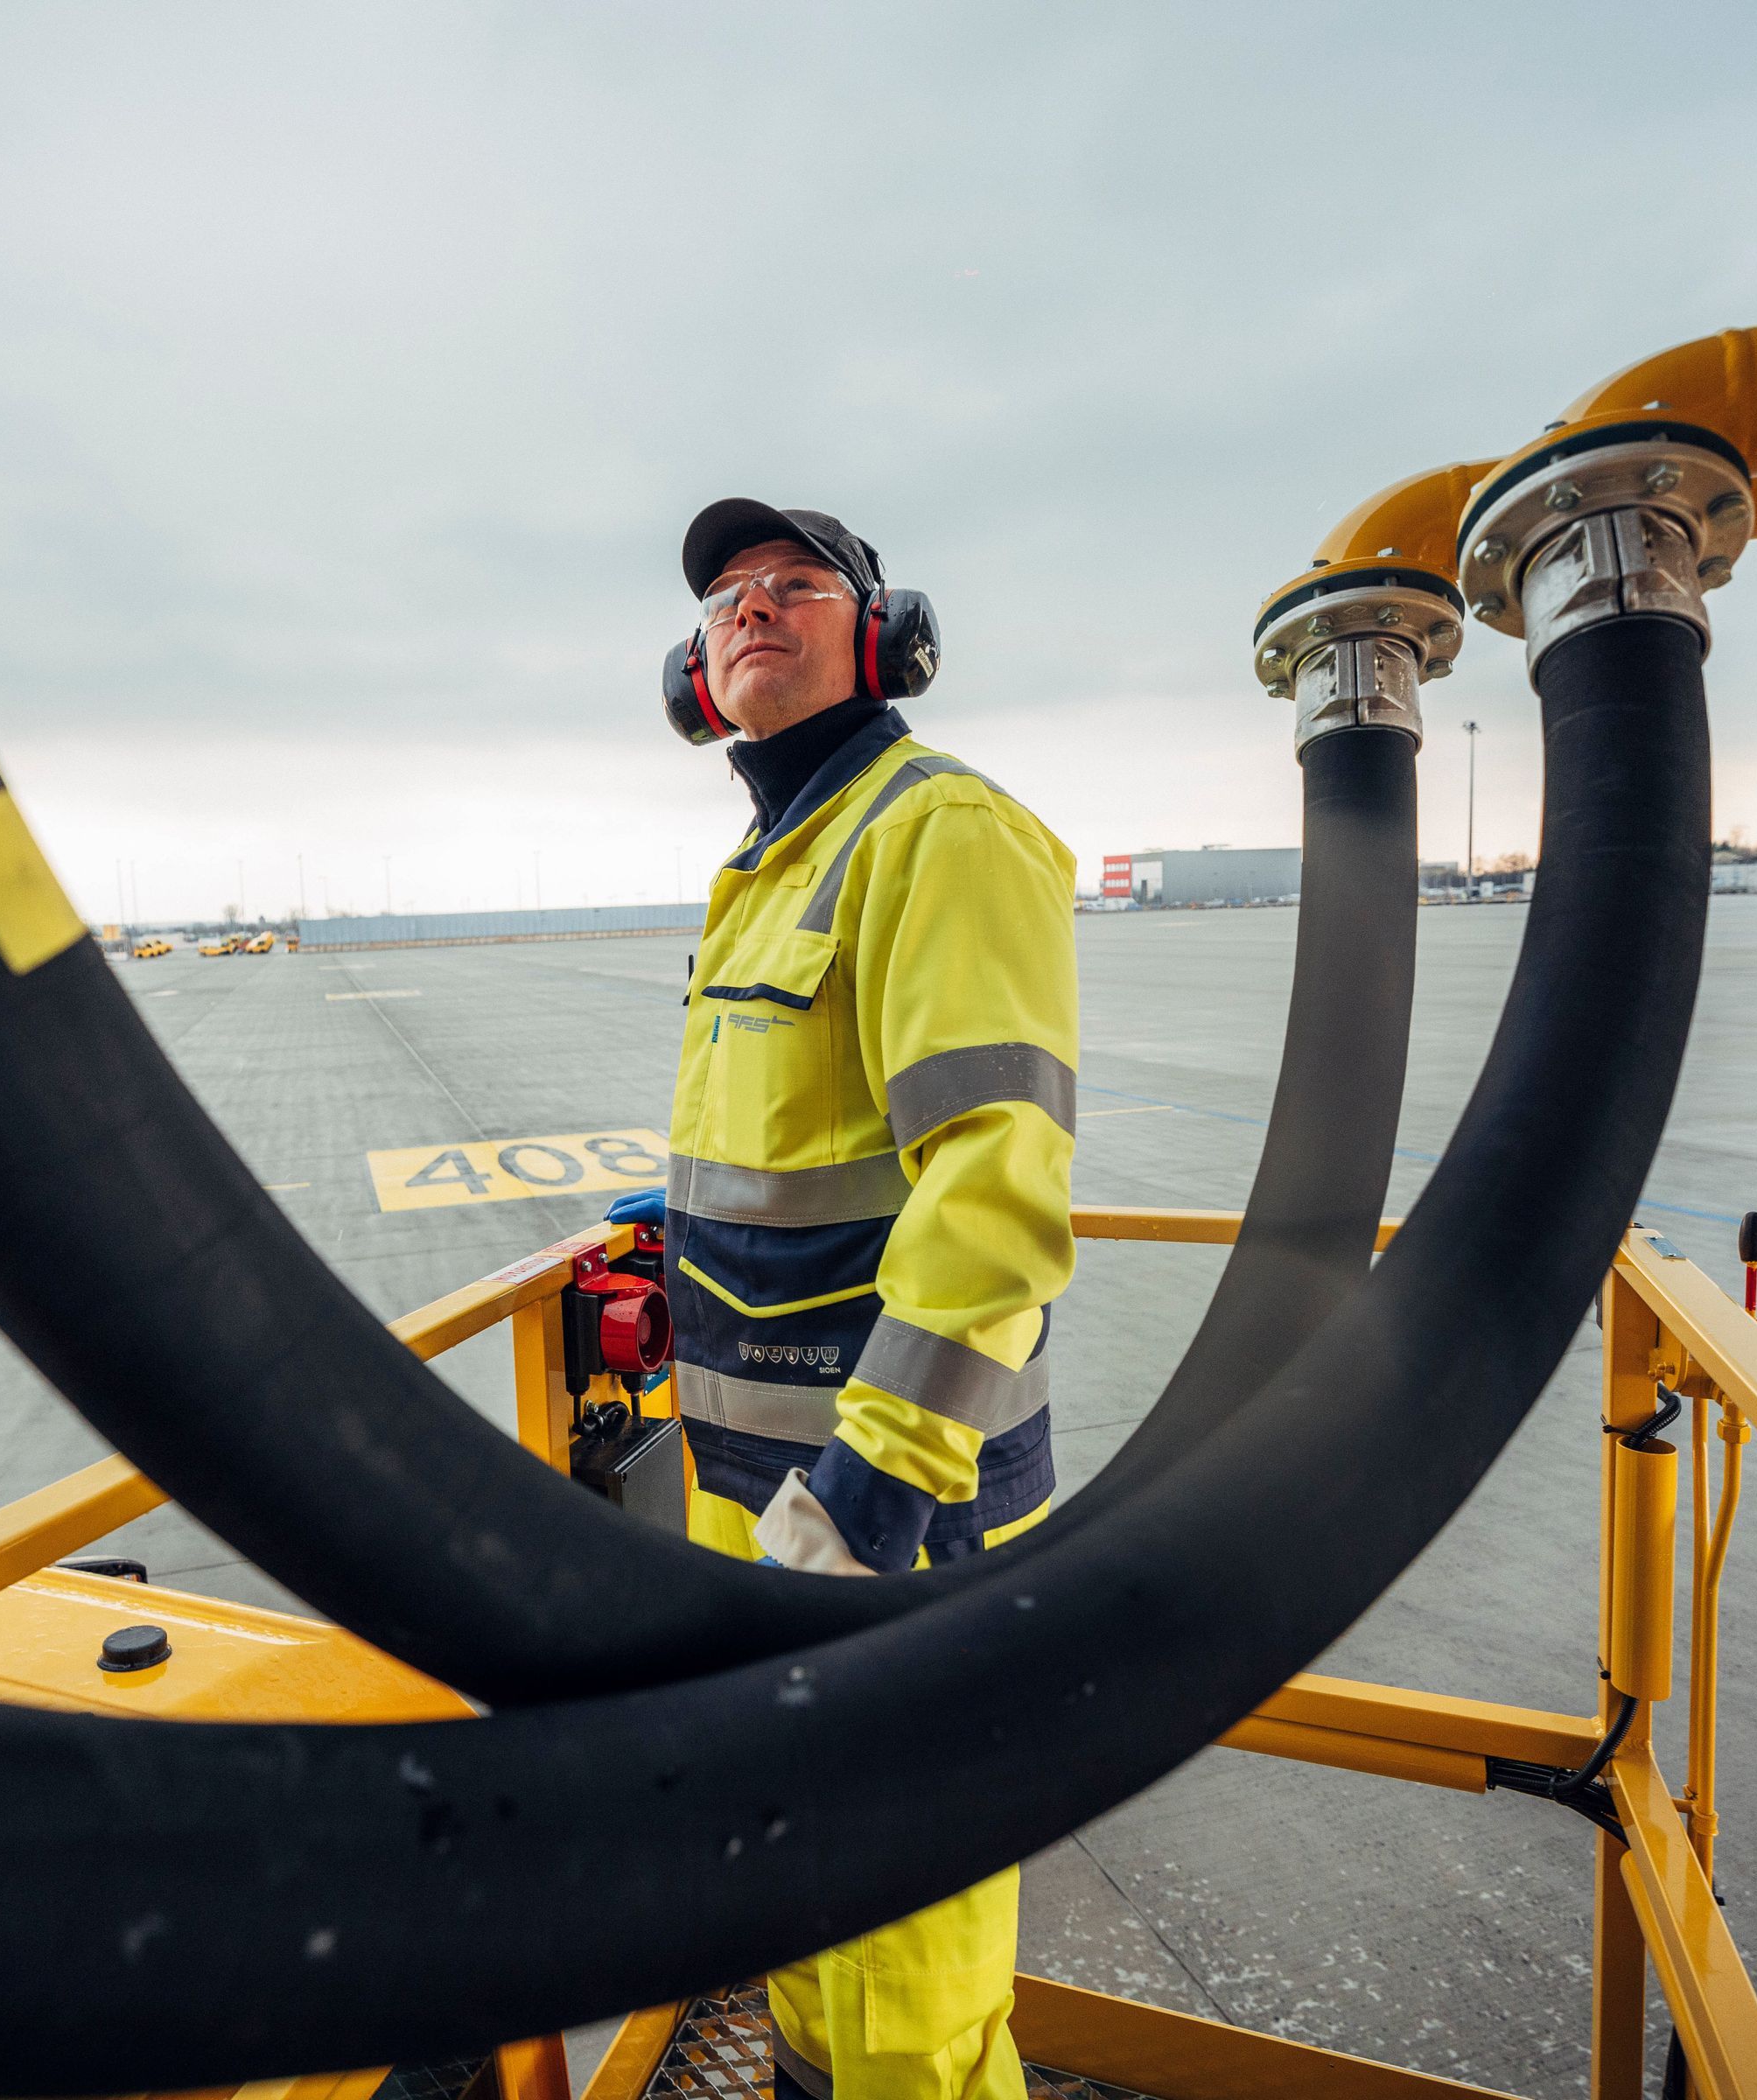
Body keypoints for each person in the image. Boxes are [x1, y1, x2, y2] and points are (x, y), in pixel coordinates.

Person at [653, 498, 1079, 2100]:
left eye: (797, 584)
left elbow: (995, 1196)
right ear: (694, 673)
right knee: (807, 1916)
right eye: (725, 599)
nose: (753, 608)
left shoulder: (936, 831)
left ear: (887, 638)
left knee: (908, 1976)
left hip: (893, 1511)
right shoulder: (768, 869)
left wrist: (874, 1492)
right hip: (760, 1509)